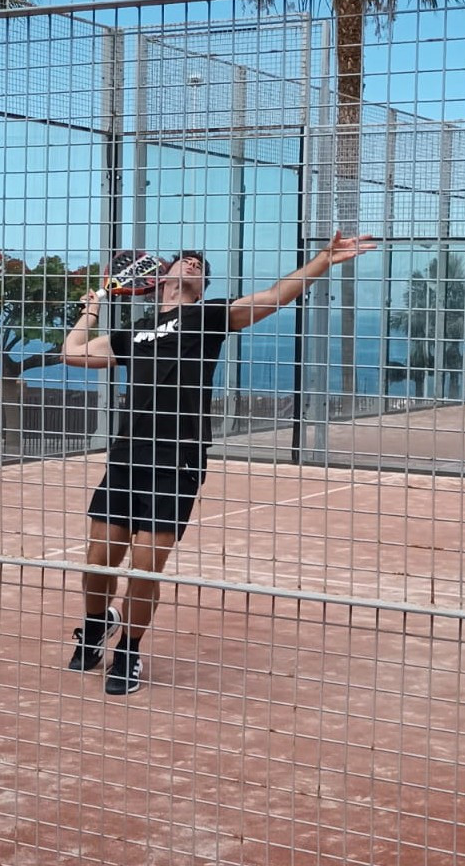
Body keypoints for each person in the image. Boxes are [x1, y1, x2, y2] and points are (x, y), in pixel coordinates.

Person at [61, 232, 376, 695]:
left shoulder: (208, 317)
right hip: (127, 457)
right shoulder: (133, 333)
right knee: (98, 563)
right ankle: (95, 628)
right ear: (160, 278)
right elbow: (72, 353)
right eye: (184, 260)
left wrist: (323, 260)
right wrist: (91, 310)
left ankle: (128, 652)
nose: (192, 264)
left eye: (200, 266)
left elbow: (274, 296)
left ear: (203, 286)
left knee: (144, 567)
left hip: (177, 459)